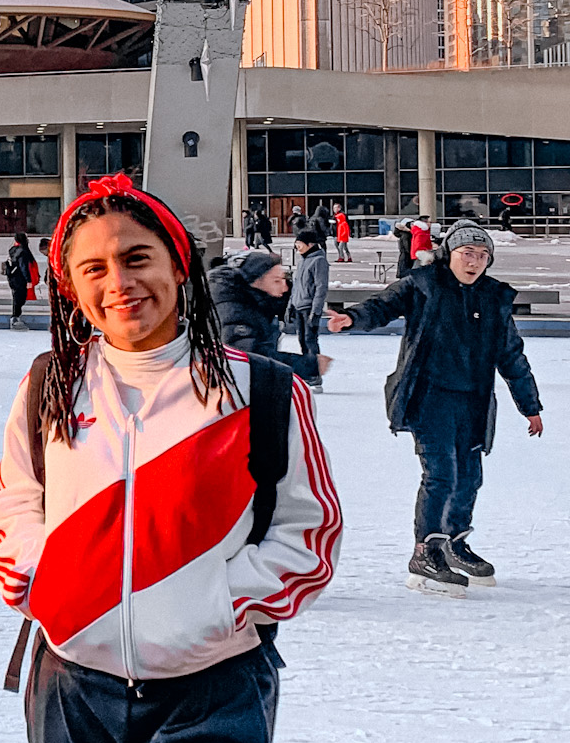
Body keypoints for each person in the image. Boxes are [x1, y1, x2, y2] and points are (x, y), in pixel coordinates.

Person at [0, 173, 341, 743]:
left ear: (179, 265)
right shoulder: (51, 386)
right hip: (72, 696)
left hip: (209, 701)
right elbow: (15, 503)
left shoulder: (261, 390)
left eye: (137, 257)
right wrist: (49, 581)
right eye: (95, 269)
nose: (121, 283)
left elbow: (308, 532)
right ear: (71, 288)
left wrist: (219, 605)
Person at [326, 218, 544, 595]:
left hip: (473, 401)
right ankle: (425, 552)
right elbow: (384, 304)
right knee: (441, 473)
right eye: (466, 253)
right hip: (429, 397)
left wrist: (530, 405)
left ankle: (454, 543)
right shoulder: (424, 284)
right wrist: (353, 318)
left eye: (481, 255)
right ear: (450, 254)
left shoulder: (493, 298)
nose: (474, 262)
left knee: (469, 477)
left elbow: (511, 355)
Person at [207, 250, 325, 387]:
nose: (284, 287)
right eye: (276, 281)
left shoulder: (256, 301)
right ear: (256, 281)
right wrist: (306, 365)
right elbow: (248, 357)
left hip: (252, 388)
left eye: (284, 279)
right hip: (232, 392)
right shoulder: (233, 309)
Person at [287, 228, 330, 387]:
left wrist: (316, 311)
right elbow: (296, 286)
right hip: (298, 307)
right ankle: (307, 372)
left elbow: (321, 288)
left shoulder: (319, 261)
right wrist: (290, 305)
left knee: (310, 341)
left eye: (299, 244)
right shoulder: (303, 261)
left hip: (309, 308)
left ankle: (315, 375)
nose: (297, 247)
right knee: (302, 341)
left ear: (310, 244)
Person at [4, 231, 36, 328]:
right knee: (20, 297)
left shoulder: (13, 250)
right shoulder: (23, 252)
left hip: (13, 277)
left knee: (16, 296)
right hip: (19, 278)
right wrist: (28, 279)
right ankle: (15, 317)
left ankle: (16, 316)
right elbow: (23, 267)